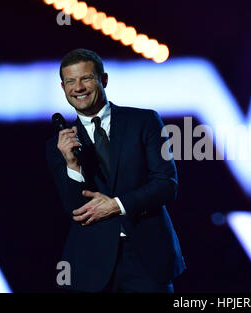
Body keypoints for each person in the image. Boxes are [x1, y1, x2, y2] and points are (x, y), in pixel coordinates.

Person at [46, 48, 186, 293]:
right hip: (93, 264)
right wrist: (72, 165)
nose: (78, 87)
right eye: (70, 81)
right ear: (63, 87)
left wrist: (117, 204)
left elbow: (166, 184)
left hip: (146, 256)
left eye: (86, 78)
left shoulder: (144, 121)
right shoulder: (59, 144)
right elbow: (74, 209)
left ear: (104, 79)